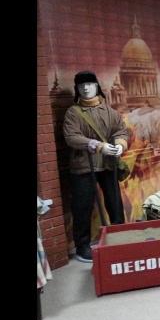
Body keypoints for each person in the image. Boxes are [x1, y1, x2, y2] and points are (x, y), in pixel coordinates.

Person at [63, 70, 128, 263]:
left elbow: (121, 130)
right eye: (81, 85)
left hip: (107, 164)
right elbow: (72, 136)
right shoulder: (73, 113)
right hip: (83, 166)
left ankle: (119, 235)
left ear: (97, 86)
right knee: (82, 206)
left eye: (89, 84)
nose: (86, 88)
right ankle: (82, 245)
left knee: (114, 202)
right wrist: (98, 145)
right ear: (77, 89)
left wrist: (120, 145)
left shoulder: (109, 112)